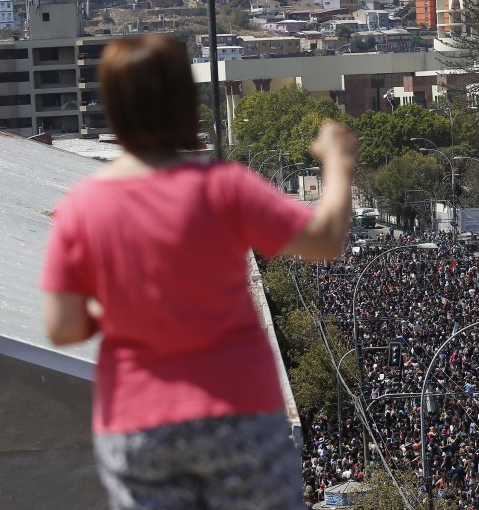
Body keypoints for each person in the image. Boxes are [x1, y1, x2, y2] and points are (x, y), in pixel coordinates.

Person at [40, 34, 356, 510]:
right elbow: (326, 239)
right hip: (238, 413)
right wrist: (337, 164)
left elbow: (63, 326)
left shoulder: (83, 206)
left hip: (139, 420)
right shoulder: (224, 189)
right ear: (185, 101)